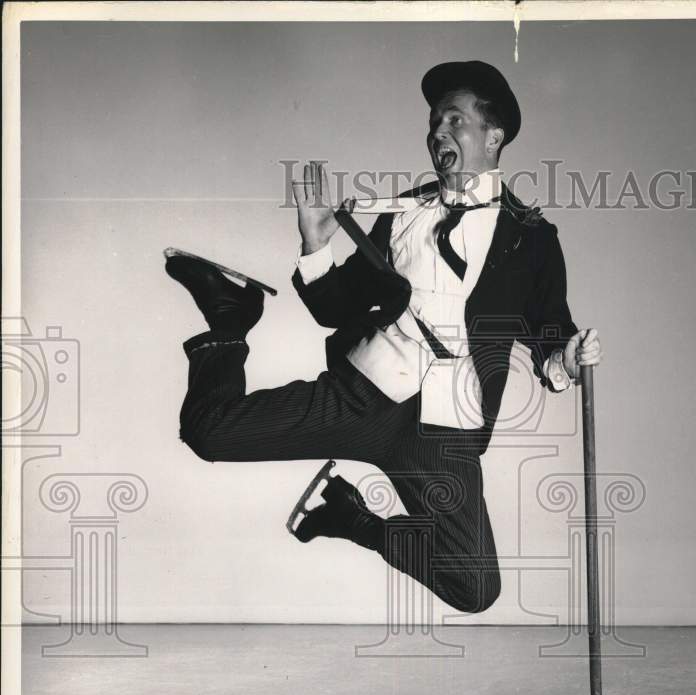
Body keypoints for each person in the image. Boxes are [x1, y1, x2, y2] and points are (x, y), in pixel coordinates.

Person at [170, 60, 601, 613]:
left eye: (454, 120)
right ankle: (230, 316)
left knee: (474, 587)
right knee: (208, 433)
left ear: (494, 136)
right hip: (364, 396)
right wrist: (315, 244)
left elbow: (550, 332)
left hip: (445, 431)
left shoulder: (532, 237)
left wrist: (567, 356)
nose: (437, 132)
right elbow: (334, 309)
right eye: (433, 122)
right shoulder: (401, 213)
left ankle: (350, 518)